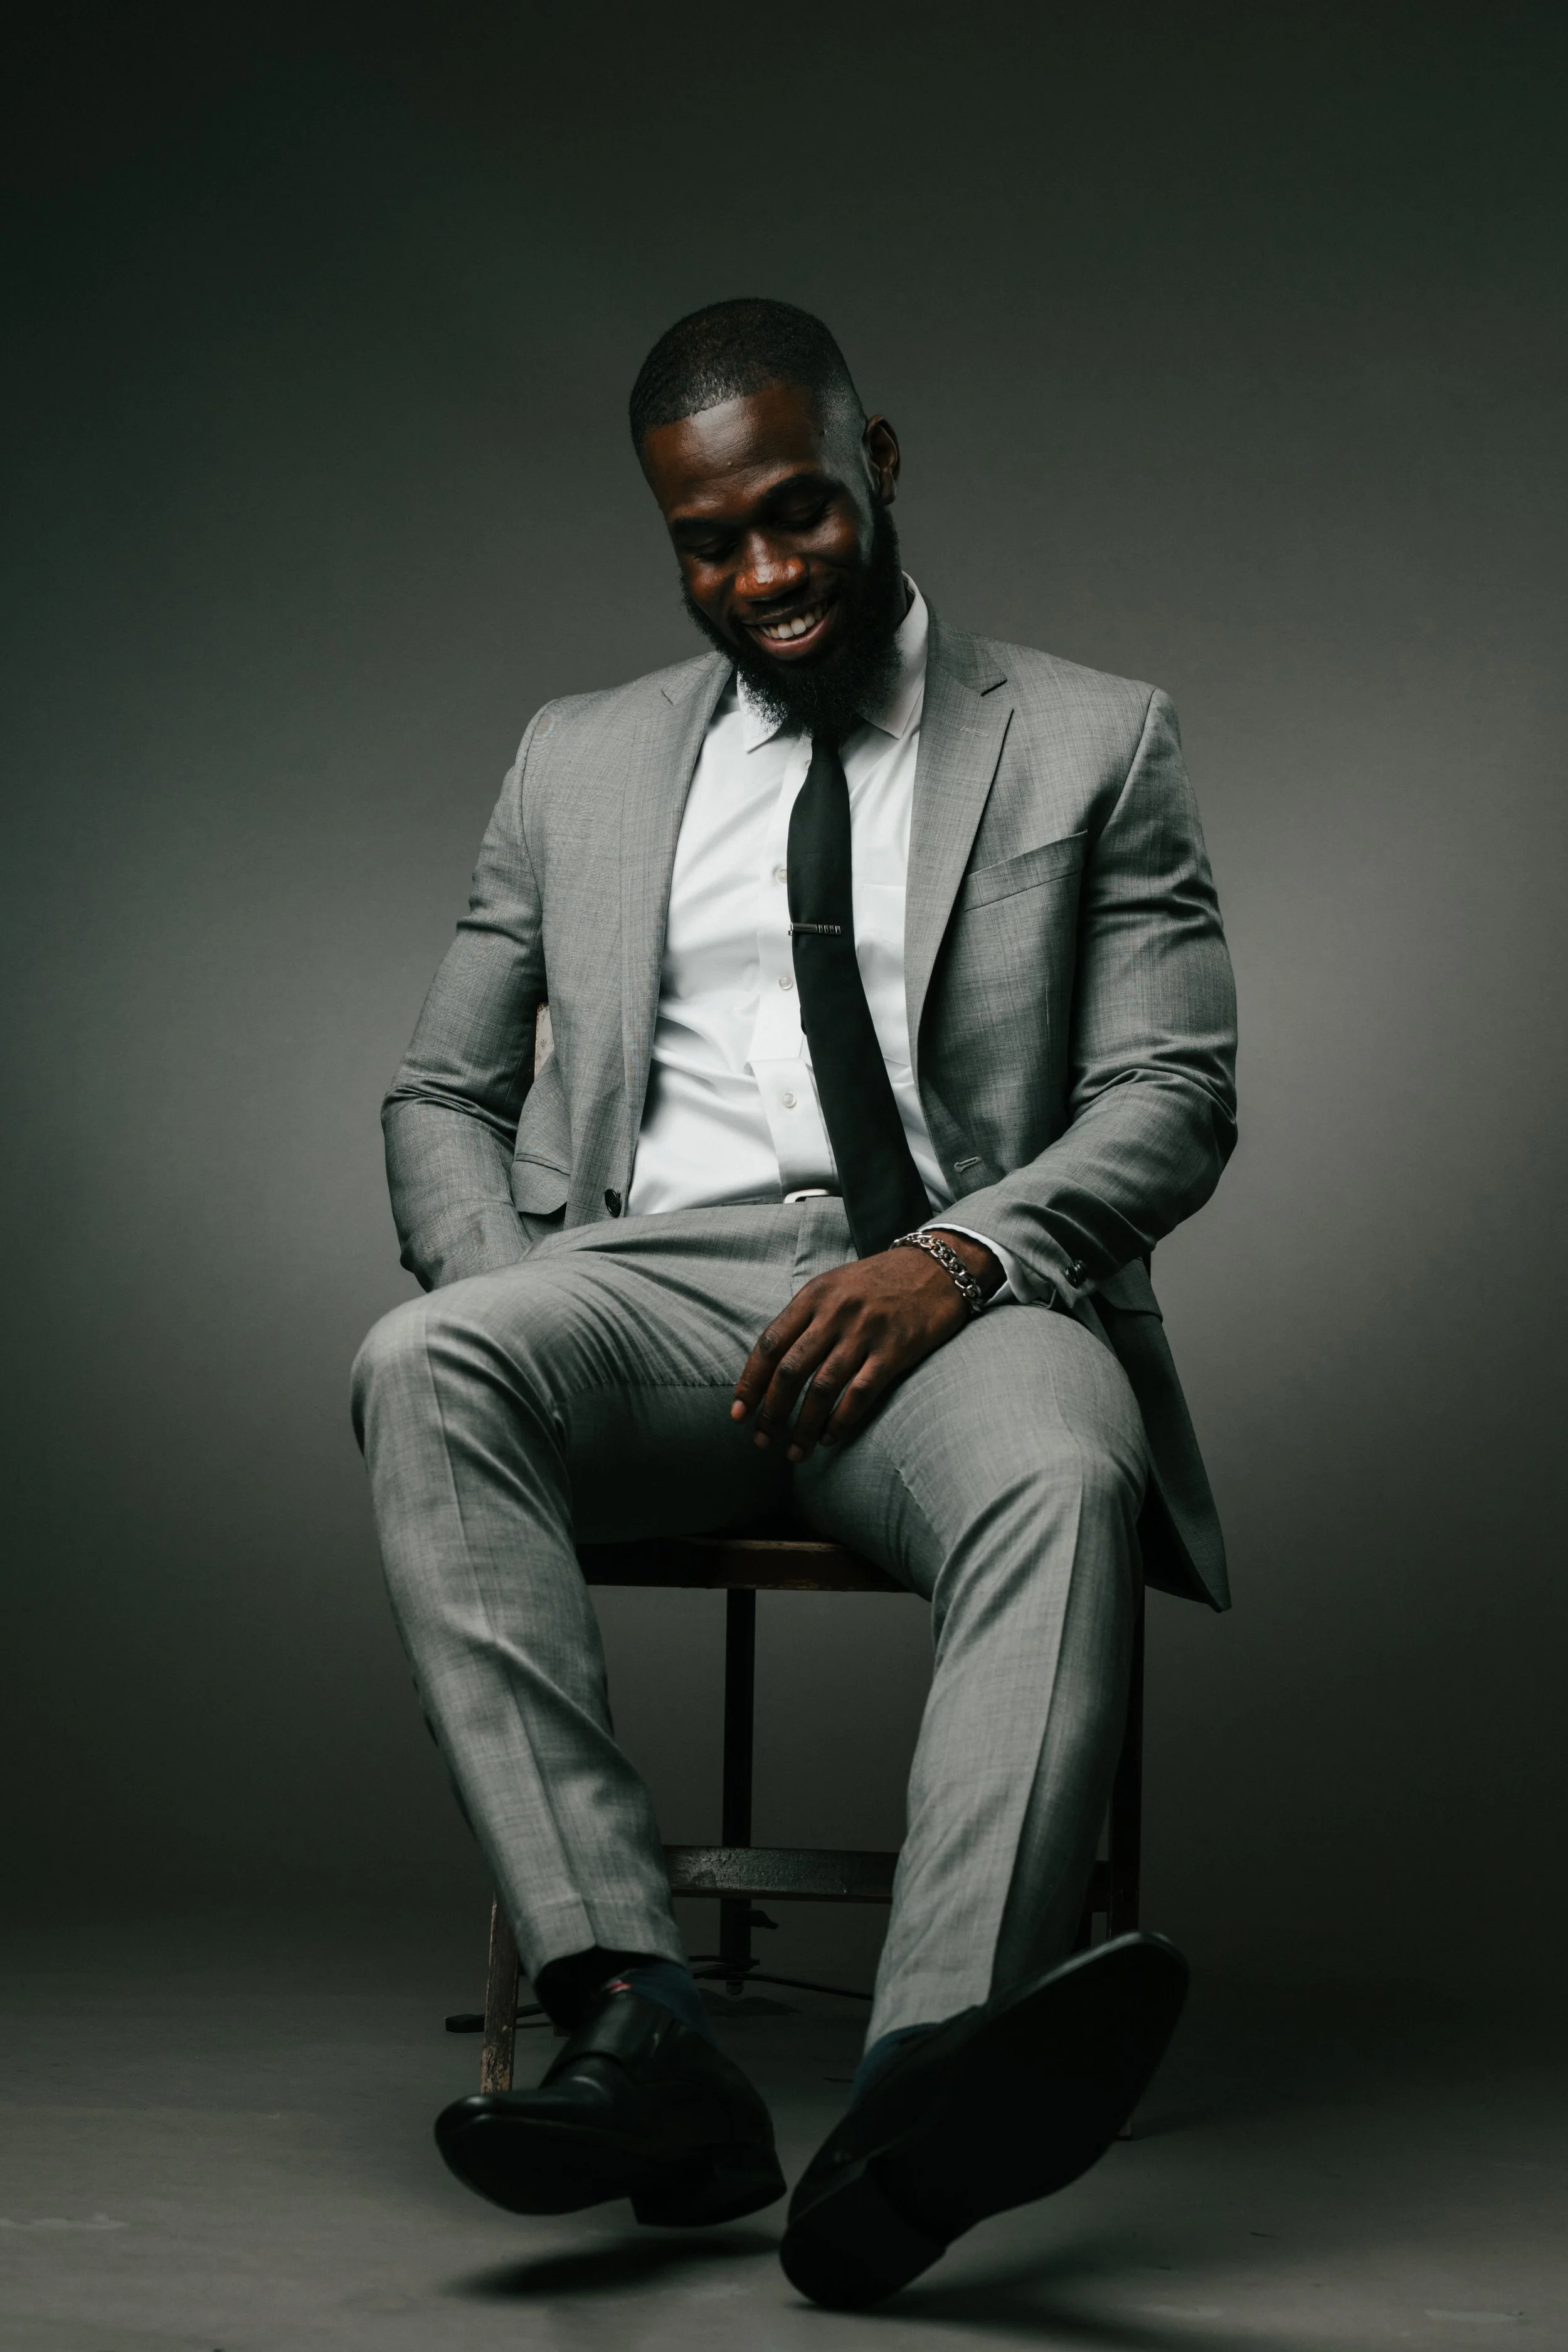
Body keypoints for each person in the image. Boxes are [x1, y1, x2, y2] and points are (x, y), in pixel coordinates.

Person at [351, 296, 1237, 2309]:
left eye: (794, 515)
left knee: (1059, 1480)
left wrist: (948, 1259)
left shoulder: (1092, 736)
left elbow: (1172, 1095)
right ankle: (638, 2018)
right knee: (424, 1361)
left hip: (955, 1290)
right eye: (703, 540)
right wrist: (530, 1296)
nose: (755, 575)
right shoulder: (574, 759)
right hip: (653, 1293)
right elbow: (440, 1091)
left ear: (881, 463)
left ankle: (919, 2082)